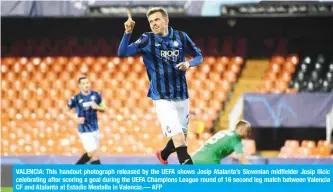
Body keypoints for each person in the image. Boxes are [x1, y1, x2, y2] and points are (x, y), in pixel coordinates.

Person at [118, 7, 203, 165]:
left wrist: (188, 64)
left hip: (182, 94)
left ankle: (163, 155)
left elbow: (199, 56)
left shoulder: (181, 37)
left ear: (166, 20)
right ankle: (192, 180)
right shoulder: (146, 39)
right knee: (179, 139)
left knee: (181, 138)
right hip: (161, 97)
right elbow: (122, 53)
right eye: (151, 21)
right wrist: (128, 33)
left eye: (157, 20)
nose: (153, 24)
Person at [64, 76, 105, 164]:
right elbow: (65, 110)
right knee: (93, 153)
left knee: (93, 154)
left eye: (87, 83)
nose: (86, 85)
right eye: (83, 83)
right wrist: (76, 119)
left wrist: (97, 107)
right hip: (84, 130)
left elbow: (104, 109)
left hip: (95, 129)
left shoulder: (96, 95)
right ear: (79, 86)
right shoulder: (75, 98)